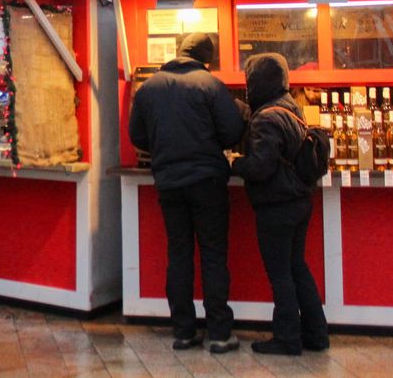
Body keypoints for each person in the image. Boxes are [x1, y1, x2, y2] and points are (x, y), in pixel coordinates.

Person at [128, 32, 246, 354]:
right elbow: (233, 131)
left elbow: (136, 135)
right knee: (212, 254)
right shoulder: (210, 85)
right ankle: (220, 333)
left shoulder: (148, 88)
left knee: (178, 255)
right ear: (205, 59)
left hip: (168, 182)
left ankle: (183, 331)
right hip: (207, 181)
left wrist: (164, 149)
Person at [230, 53, 329, 356]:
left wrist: (235, 163)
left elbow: (262, 166)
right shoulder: (290, 108)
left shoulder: (267, 118)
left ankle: (287, 338)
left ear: (259, 82)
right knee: (297, 268)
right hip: (299, 201)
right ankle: (316, 334)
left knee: (281, 274)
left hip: (277, 206)